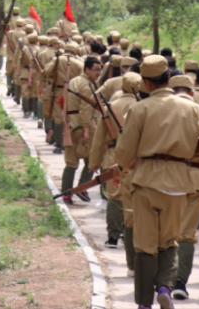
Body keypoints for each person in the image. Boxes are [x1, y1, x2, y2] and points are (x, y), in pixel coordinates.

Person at [116, 55, 199, 309]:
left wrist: (125, 165)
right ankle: (165, 286)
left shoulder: (140, 109)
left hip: (146, 181)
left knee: (145, 245)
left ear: (145, 83)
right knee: (170, 241)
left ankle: (144, 303)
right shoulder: (195, 109)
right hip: (179, 183)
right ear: (168, 77)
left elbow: (124, 153)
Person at [166, 74, 199, 301]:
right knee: (187, 234)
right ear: (192, 92)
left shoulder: (159, 110)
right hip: (196, 178)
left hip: (164, 176)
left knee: (165, 231)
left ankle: (163, 280)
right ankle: (180, 282)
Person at [91, 71, 143, 266]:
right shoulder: (143, 107)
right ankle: (131, 234)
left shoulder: (111, 106)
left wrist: (94, 161)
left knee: (115, 196)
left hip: (114, 155)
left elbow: (99, 139)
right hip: (138, 159)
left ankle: (113, 235)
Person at [62, 56, 103, 203]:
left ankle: (66, 193)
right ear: (87, 69)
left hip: (70, 124)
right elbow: (86, 109)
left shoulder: (74, 81)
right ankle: (82, 188)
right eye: (96, 70)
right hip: (84, 125)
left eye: (100, 70)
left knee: (71, 162)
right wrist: (86, 129)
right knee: (92, 160)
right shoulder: (87, 85)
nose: (98, 73)